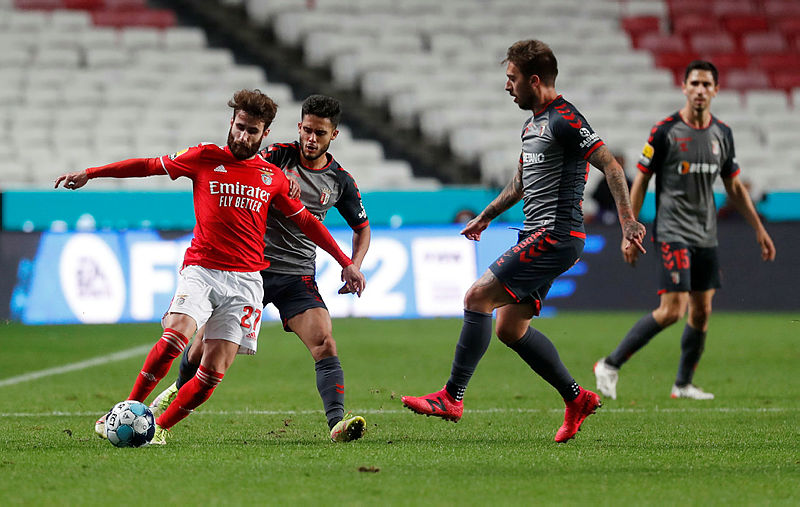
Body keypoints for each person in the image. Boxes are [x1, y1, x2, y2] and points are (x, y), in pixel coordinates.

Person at [55, 89, 365, 445]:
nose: (242, 136)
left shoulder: (273, 177)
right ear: (231, 123)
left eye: (252, 131)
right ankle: (125, 408)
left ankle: (158, 429)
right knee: (175, 337)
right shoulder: (204, 157)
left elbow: (308, 222)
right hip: (202, 269)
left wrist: (346, 263)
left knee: (214, 369)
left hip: (249, 281)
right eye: (240, 127)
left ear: (264, 135)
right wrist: (91, 173)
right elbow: (148, 165)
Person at [401, 40, 647, 443]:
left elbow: (612, 165)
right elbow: (520, 182)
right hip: (538, 232)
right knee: (510, 328)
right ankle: (576, 398)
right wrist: (485, 215)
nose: (507, 86)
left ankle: (452, 396)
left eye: (511, 78)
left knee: (476, 296)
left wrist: (628, 222)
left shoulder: (566, 119)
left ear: (535, 80)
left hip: (556, 234)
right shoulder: (532, 124)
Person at [148, 95, 371, 443]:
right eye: (307, 131)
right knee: (204, 347)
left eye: (320, 134)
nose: (311, 139)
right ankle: (177, 387)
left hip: (297, 275)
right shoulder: (276, 156)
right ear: (299, 128)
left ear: (334, 136)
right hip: (248, 270)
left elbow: (362, 228)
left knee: (325, 342)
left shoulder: (341, 181)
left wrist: (352, 265)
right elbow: (245, 166)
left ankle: (336, 425)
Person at [593, 60, 776, 401]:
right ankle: (610, 364)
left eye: (707, 85)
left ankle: (683, 384)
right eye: (695, 83)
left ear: (716, 91)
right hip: (673, 230)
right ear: (684, 87)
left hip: (706, 233)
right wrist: (629, 226)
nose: (701, 90)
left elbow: (734, 187)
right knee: (673, 311)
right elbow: (643, 179)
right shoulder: (665, 131)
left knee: (703, 310)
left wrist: (758, 229)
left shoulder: (723, 134)